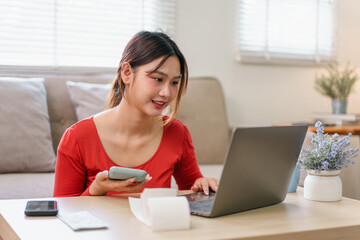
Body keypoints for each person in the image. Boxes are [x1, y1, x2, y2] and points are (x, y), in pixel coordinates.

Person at [53, 31, 218, 197]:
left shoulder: (177, 132)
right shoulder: (76, 138)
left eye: (174, 82)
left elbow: (192, 188)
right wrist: (97, 189)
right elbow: (64, 212)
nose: (167, 93)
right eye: (158, 79)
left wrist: (202, 184)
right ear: (127, 73)